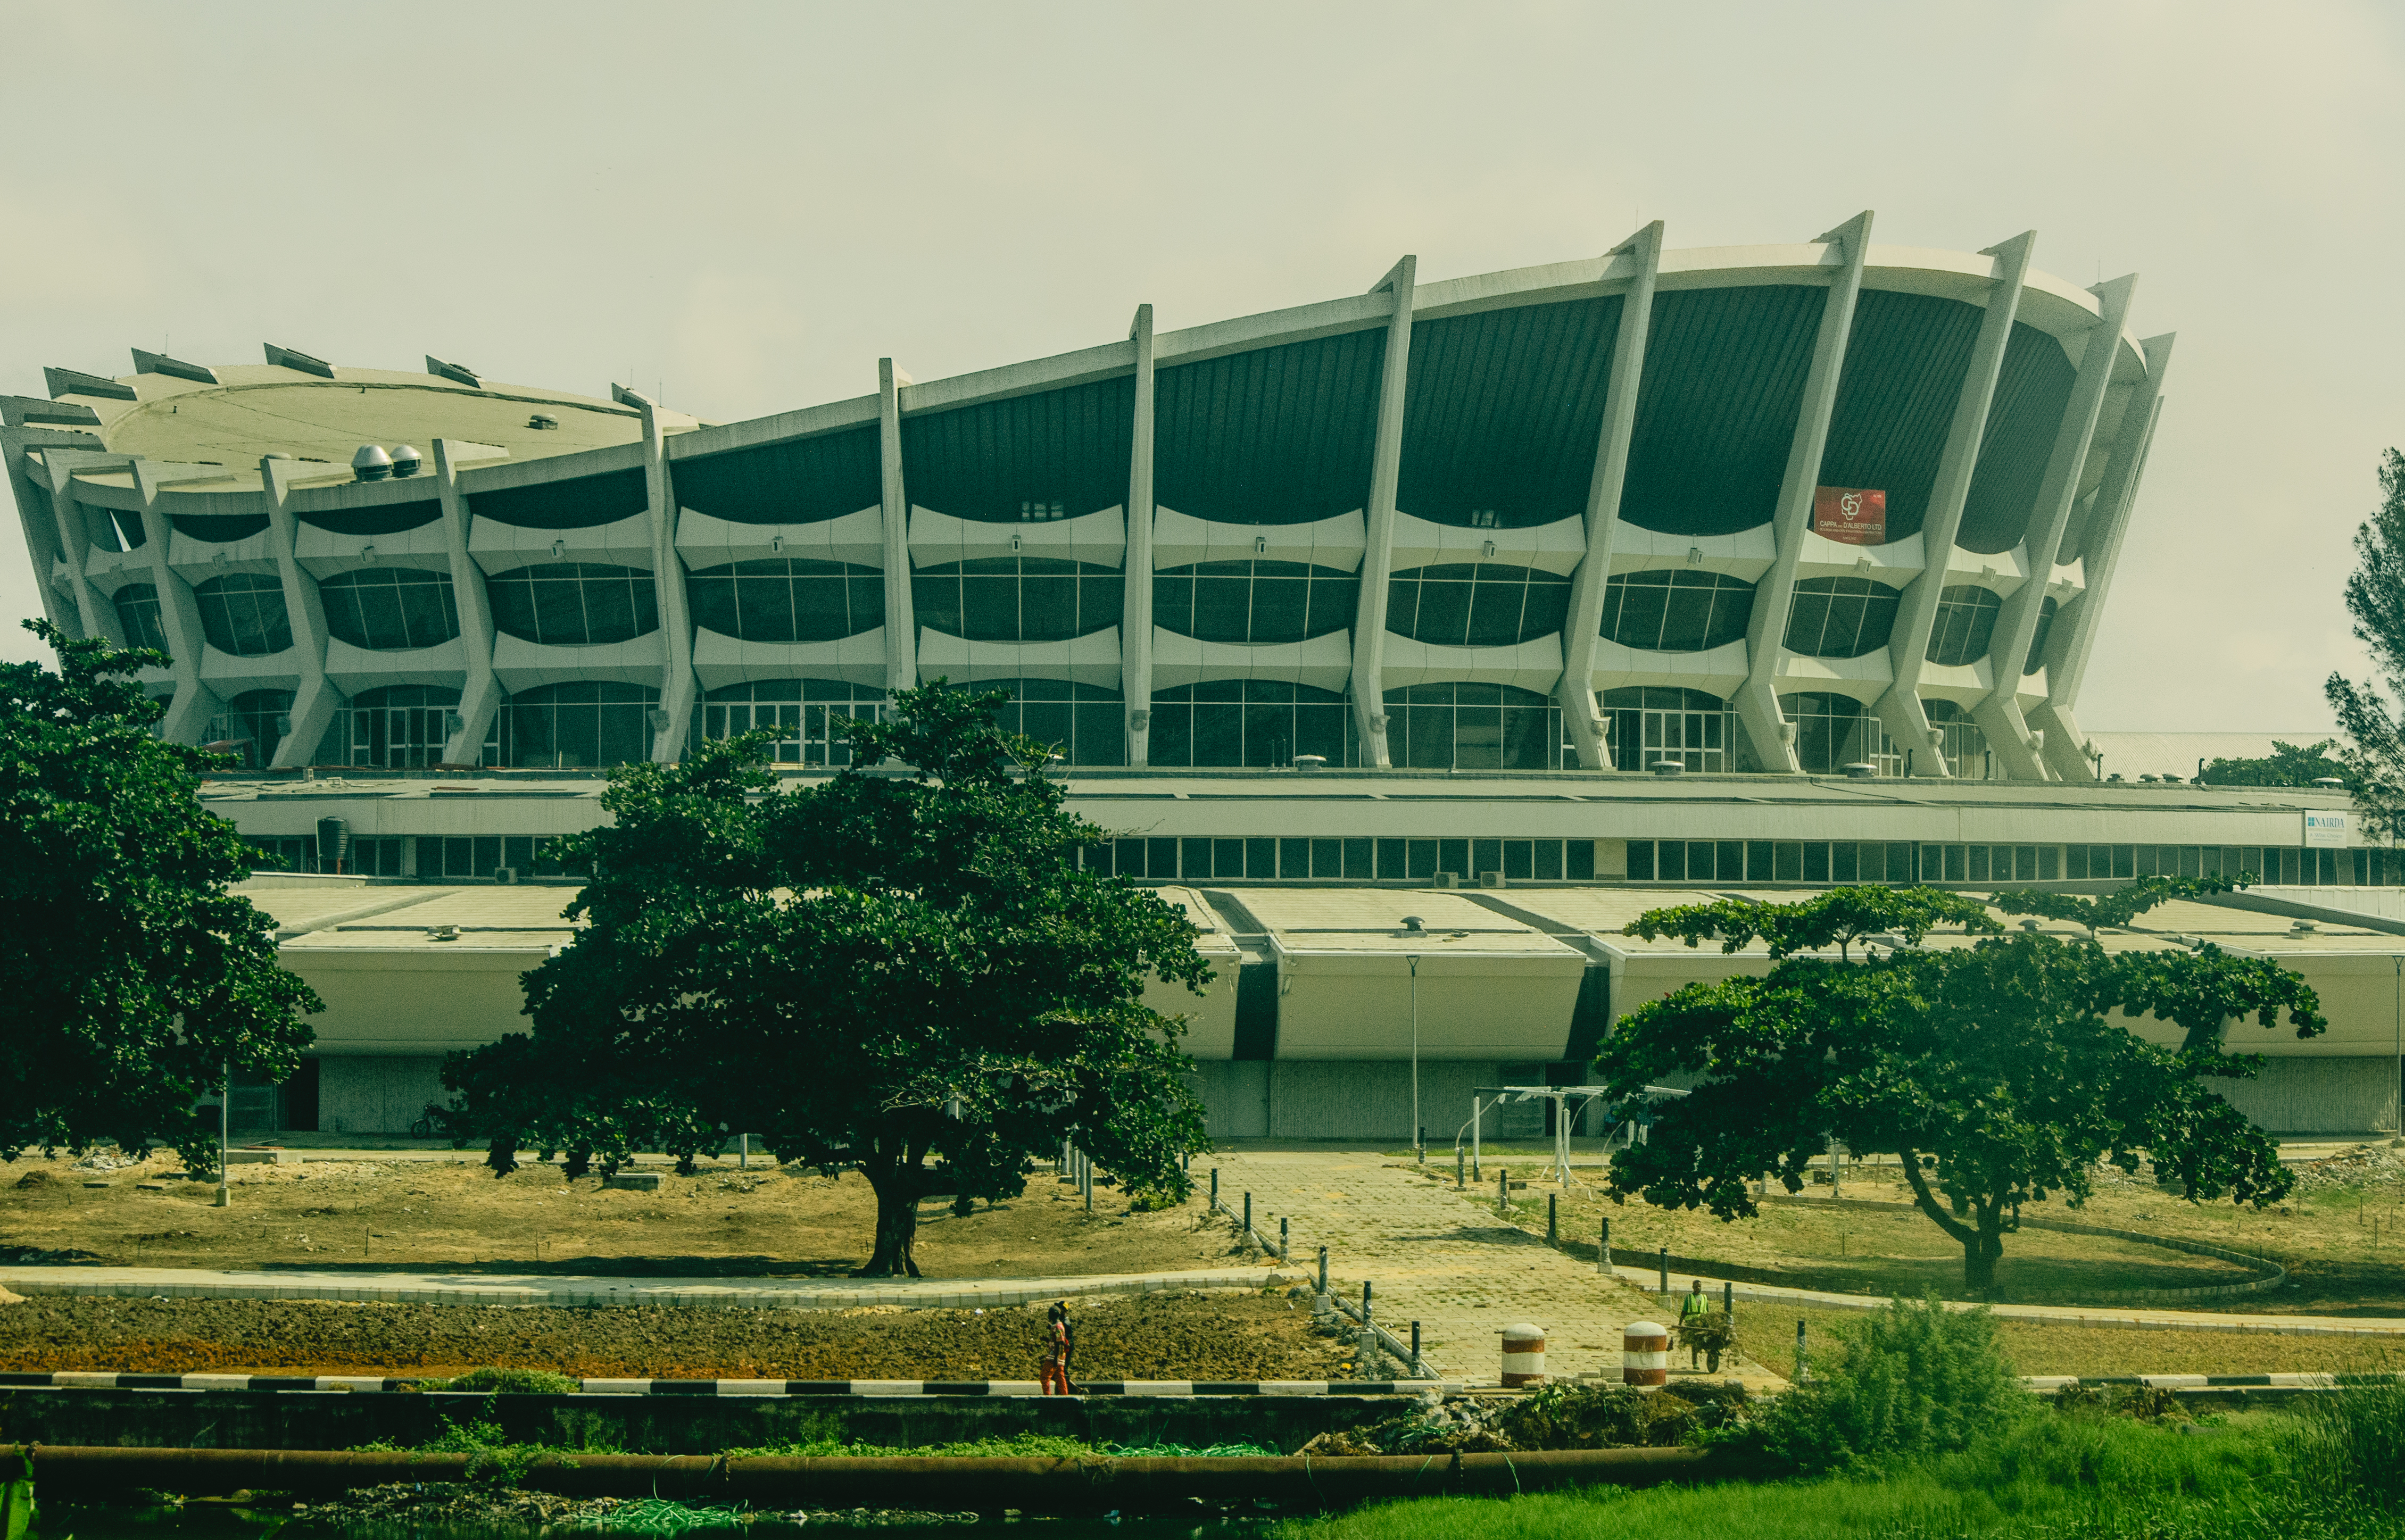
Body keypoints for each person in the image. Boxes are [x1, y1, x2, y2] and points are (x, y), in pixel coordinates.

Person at [1040, 1301, 1074, 1395]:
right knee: (1060, 1377)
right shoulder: (1057, 1326)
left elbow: (1060, 1342)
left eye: (1049, 1314)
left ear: (1053, 1315)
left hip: (1056, 1355)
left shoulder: (1057, 1327)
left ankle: (1048, 1397)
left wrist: (1056, 1359)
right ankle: (1065, 1397)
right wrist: (1046, 1339)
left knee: (1044, 1377)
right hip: (1060, 1355)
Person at [1678, 1278, 1712, 1368]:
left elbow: (1708, 1311)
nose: (1698, 1288)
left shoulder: (1704, 1297)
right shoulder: (1689, 1297)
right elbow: (1684, 1311)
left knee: (1708, 1338)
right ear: (1693, 1287)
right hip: (1692, 1323)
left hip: (1703, 1322)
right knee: (1695, 1341)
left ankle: (1712, 1356)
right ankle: (1695, 1362)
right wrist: (1680, 1324)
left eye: (1700, 1286)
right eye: (1696, 1287)